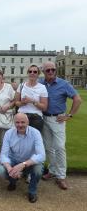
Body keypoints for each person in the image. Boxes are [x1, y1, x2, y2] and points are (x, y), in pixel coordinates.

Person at [40, 61, 82, 190]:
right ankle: (52, 171)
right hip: (44, 118)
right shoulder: (40, 83)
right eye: (48, 70)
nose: (51, 72)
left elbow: (77, 99)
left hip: (58, 119)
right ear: (44, 72)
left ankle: (61, 176)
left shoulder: (63, 84)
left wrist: (69, 115)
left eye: (53, 69)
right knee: (48, 147)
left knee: (59, 147)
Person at [0, 113, 45, 203]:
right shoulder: (8, 133)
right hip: (14, 161)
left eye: (23, 122)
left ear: (28, 122)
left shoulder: (35, 133)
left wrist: (23, 164)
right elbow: (3, 155)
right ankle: (13, 180)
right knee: (1, 170)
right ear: (14, 123)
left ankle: (32, 190)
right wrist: (10, 169)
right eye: (17, 122)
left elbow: (42, 155)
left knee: (38, 169)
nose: (20, 125)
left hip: (29, 162)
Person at [15, 65, 48, 132]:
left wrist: (32, 101)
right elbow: (16, 102)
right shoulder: (21, 85)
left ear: (38, 74)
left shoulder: (42, 87)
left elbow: (44, 107)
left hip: (35, 118)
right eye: (30, 71)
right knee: (20, 140)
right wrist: (23, 103)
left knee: (34, 140)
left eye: (35, 72)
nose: (32, 73)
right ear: (28, 73)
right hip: (21, 117)